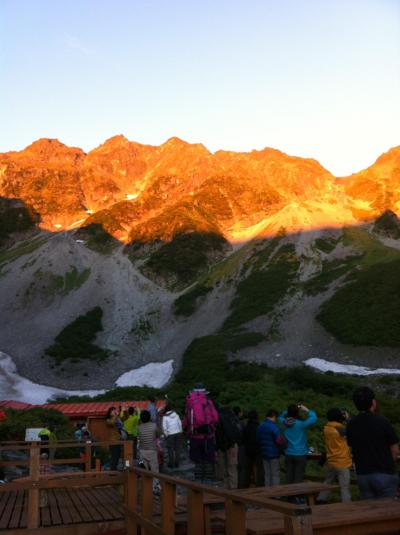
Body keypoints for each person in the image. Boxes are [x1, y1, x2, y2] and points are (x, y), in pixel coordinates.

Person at [347, 386, 399, 499]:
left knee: (369, 511)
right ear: (373, 402)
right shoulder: (383, 421)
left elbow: (351, 446)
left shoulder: (351, 424)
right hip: (384, 474)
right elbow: (394, 449)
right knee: (388, 512)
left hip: (362, 476)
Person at [184, 383, 219, 482]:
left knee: (197, 459)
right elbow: (215, 418)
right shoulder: (208, 401)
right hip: (208, 435)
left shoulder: (190, 402)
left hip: (195, 435)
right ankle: (208, 481)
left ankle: (198, 481)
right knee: (208, 458)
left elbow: (187, 419)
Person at [317, 408, 352, 503]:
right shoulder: (340, 429)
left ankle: (320, 500)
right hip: (342, 462)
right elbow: (353, 431)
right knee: (344, 487)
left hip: (331, 461)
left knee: (327, 483)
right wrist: (348, 419)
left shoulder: (326, 428)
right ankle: (347, 507)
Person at [279, 404, 317, 484]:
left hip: (288, 453)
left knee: (288, 476)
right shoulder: (301, 424)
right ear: (297, 413)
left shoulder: (283, 422)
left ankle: (288, 494)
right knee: (298, 477)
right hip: (300, 454)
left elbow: (281, 415)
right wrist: (306, 409)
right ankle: (297, 496)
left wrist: (290, 411)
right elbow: (314, 418)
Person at [215, 405, 243, 489]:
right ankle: (233, 489)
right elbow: (232, 433)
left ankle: (226, 488)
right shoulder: (232, 419)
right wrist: (232, 445)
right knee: (232, 468)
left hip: (221, 447)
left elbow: (217, 435)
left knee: (224, 468)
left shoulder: (218, 419)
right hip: (232, 446)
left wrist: (216, 448)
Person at [257, 409, 283, 487]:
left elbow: (258, 439)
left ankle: (267, 492)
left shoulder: (260, 426)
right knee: (275, 474)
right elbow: (278, 441)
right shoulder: (274, 427)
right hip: (273, 453)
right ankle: (276, 493)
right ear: (274, 416)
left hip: (264, 453)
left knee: (267, 474)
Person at [241, 410, 264, 487]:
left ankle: (245, 486)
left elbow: (243, 439)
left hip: (248, 451)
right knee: (259, 469)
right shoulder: (259, 427)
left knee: (247, 469)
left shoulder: (246, 427)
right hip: (258, 450)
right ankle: (260, 485)